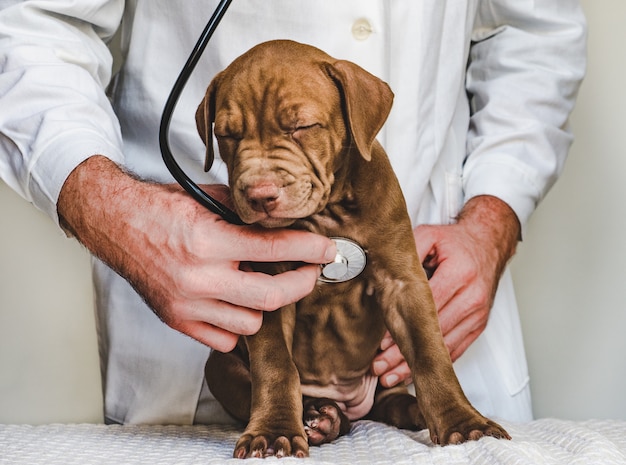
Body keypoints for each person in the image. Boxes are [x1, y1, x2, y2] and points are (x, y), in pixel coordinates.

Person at [0, 1, 586, 425]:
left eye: (299, 126)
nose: (258, 178)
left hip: (425, 306)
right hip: (189, 308)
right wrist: (110, 210)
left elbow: (536, 34)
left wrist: (492, 218)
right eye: (230, 139)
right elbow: (34, 23)